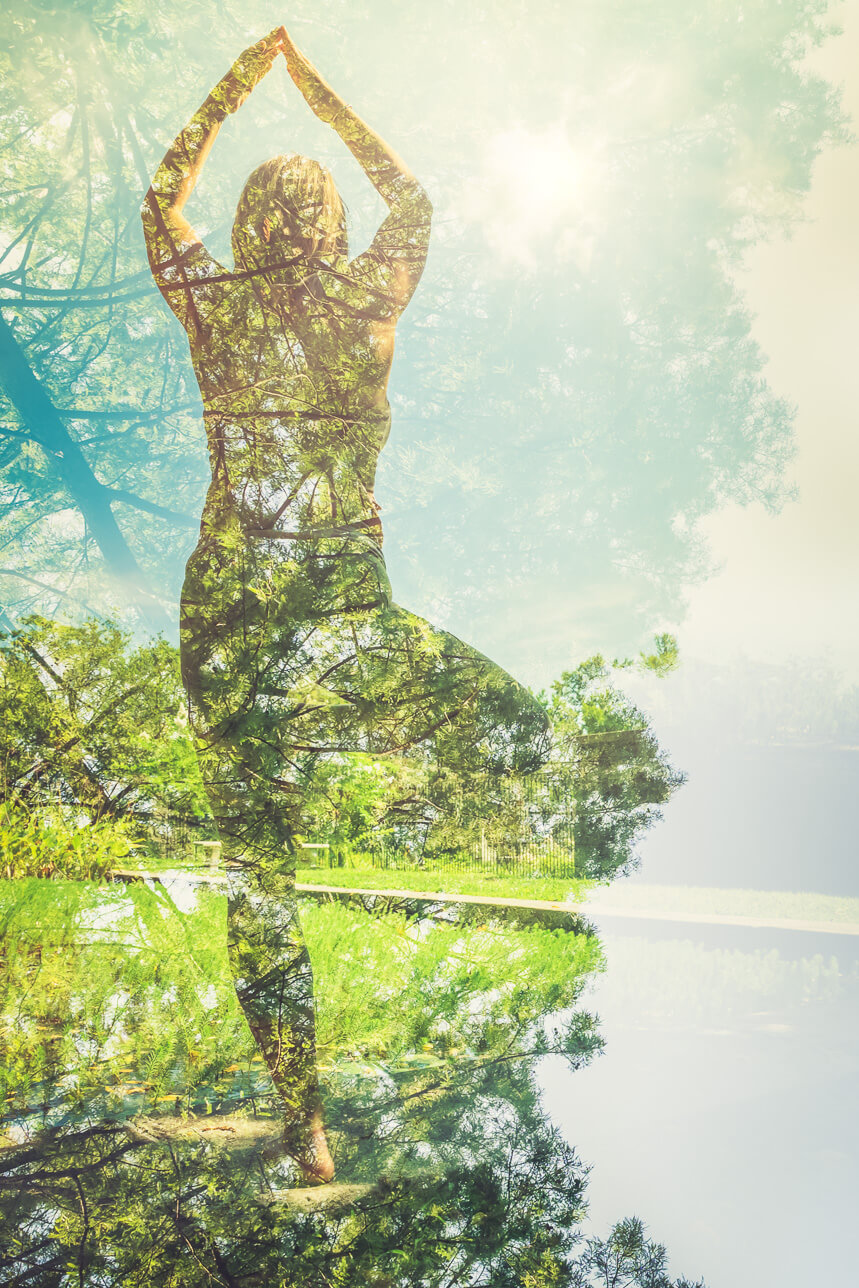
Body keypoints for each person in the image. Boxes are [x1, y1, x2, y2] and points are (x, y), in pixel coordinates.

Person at [142, 27, 550, 1181]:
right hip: (334, 604)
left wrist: (237, 84)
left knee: (256, 867)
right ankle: (448, 1037)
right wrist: (317, 94)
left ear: (246, 229)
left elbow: (163, 190)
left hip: (228, 604)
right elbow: (411, 193)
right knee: (478, 776)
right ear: (329, 227)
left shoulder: (212, 306)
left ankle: (303, 1120)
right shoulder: (369, 298)